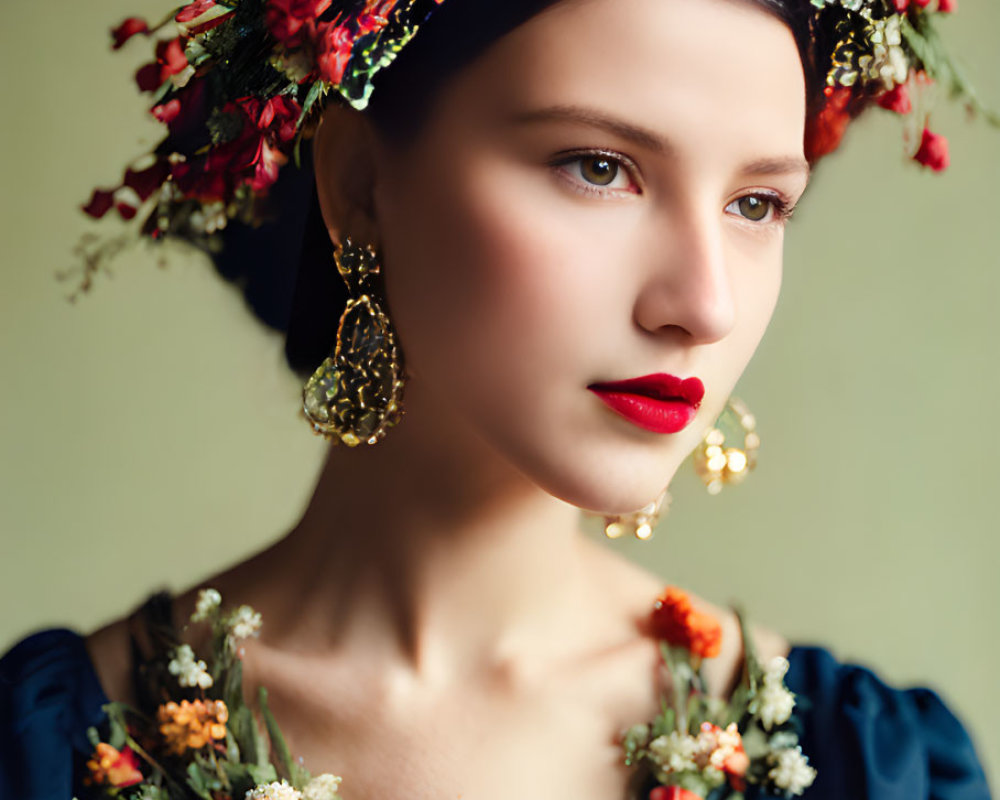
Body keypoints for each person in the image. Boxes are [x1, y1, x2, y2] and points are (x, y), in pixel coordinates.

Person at [1, 0, 995, 798]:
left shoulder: (868, 764)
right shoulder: (52, 753)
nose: (704, 302)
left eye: (755, 204)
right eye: (599, 167)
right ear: (358, 185)